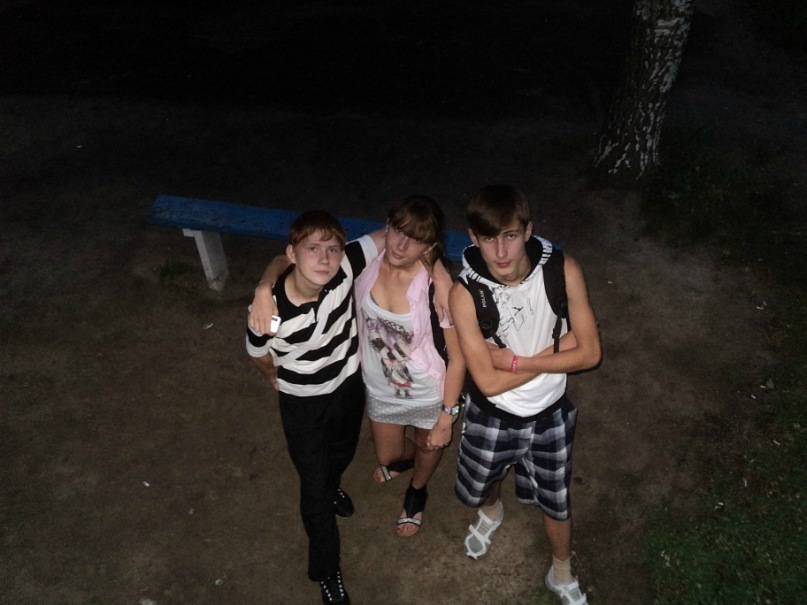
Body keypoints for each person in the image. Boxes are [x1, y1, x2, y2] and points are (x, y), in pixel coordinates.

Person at [448, 185, 601, 605]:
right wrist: (561, 351)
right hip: (492, 413)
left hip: (551, 413)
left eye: (511, 236)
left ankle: (561, 571)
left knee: (557, 498)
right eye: (488, 238)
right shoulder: (464, 294)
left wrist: (515, 362)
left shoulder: (563, 270)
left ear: (528, 231)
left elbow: (591, 354)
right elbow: (487, 384)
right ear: (473, 237)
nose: (501, 252)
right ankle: (491, 510)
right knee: (484, 482)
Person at [246, 210, 385, 605]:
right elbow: (258, 354)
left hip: (347, 388)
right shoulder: (271, 311)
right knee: (314, 490)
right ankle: (327, 570)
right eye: (313, 249)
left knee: (342, 452)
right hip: (303, 404)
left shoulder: (345, 268)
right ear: (292, 254)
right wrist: (273, 376)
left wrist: (440, 276)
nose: (325, 259)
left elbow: (393, 234)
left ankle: (331, 482)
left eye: (333, 249)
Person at [353, 195, 465, 538]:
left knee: (429, 445)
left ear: (429, 246)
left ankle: (418, 489)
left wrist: (446, 415)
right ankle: (407, 460)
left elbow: (458, 357)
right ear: (387, 226)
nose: (401, 245)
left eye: (416, 240)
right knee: (387, 455)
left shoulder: (436, 288)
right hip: (381, 386)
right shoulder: (366, 262)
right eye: (398, 231)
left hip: (427, 391)